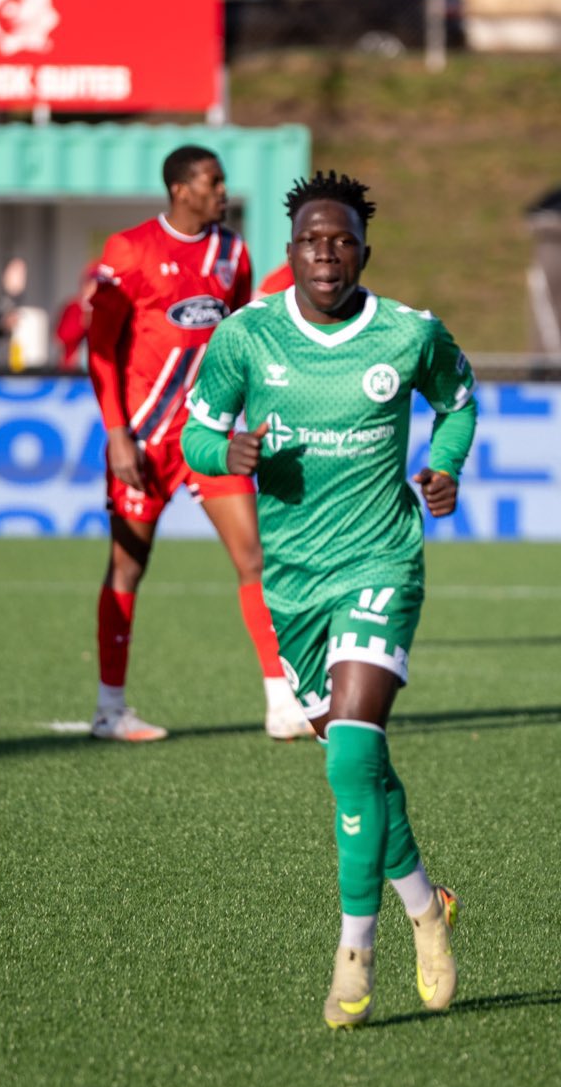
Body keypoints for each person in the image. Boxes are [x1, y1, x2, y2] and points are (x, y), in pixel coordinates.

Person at [181, 170, 476, 1029]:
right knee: (357, 761)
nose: (326, 253)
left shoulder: (409, 333)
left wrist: (445, 466)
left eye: (342, 240)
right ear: (291, 250)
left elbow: (459, 403)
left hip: (382, 560)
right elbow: (196, 431)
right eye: (312, 239)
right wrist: (227, 452)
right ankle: (426, 905)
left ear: (363, 253)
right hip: (294, 583)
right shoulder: (246, 336)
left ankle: (355, 952)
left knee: (349, 755)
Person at [81, 144, 307, 742]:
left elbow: (241, 332)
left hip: (208, 434)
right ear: (181, 189)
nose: (223, 190)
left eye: (223, 180)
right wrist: (117, 434)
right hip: (144, 437)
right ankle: (109, 709)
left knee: (253, 557)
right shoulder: (129, 249)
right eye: (213, 181)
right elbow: (99, 347)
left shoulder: (232, 252)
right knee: (128, 567)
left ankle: (281, 704)